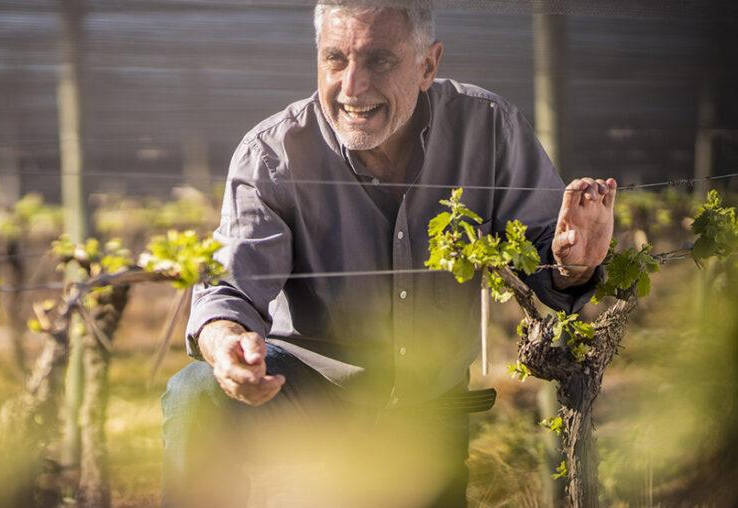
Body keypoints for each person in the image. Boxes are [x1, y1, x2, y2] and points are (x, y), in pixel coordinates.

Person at [162, 1, 617, 506]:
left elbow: (547, 256)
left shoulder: (488, 128)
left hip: (429, 409)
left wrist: (572, 264)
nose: (352, 87)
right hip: (309, 391)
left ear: (428, 66)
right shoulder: (274, 153)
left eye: (379, 60)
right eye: (335, 59)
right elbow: (229, 287)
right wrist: (226, 342)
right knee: (197, 392)